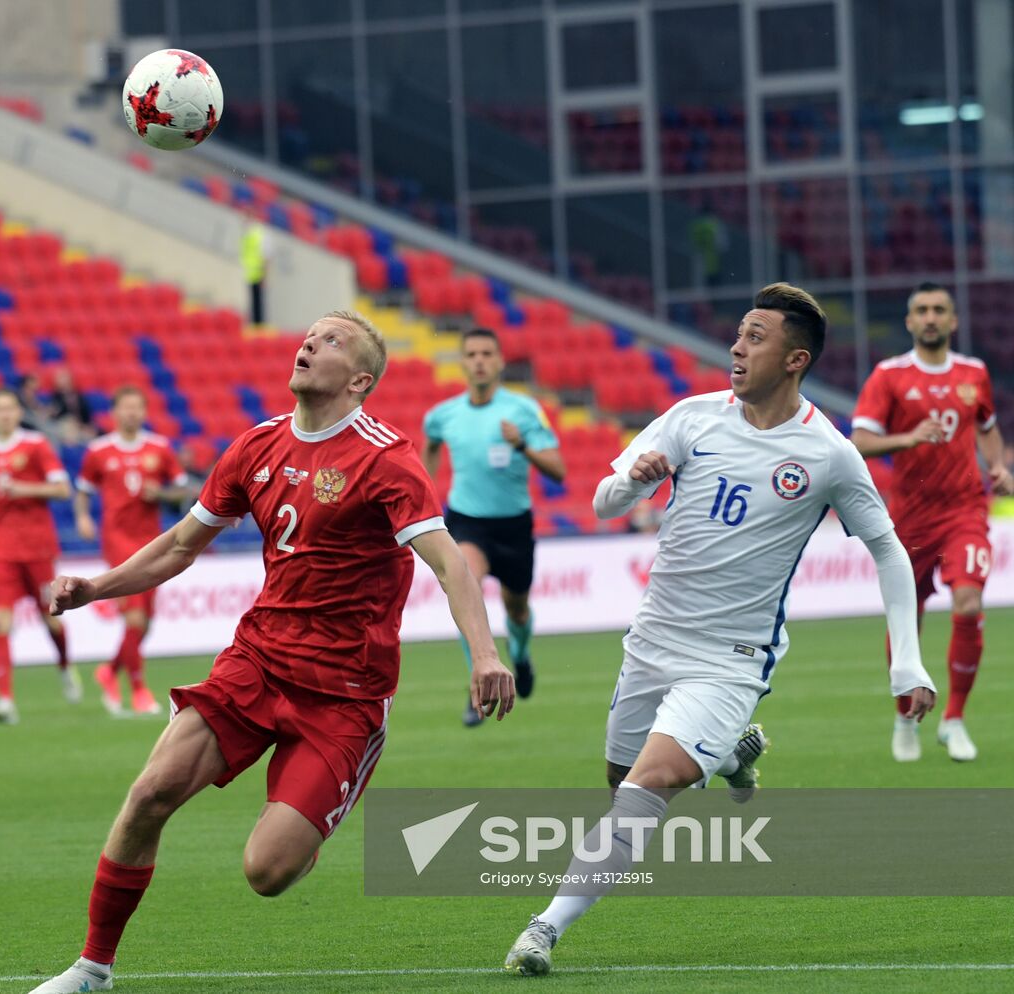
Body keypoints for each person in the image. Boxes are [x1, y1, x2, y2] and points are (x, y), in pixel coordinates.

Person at [28, 311, 517, 994]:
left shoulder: (384, 457)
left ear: (360, 380)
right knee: (149, 794)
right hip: (256, 663)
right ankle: (91, 969)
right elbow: (180, 545)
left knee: (268, 872)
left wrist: (485, 655)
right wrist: (95, 588)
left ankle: (311, 818)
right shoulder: (256, 446)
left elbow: (449, 562)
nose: (310, 343)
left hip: (344, 694)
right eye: (311, 335)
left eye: (333, 340)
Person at [501, 284, 936, 976]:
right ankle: (731, 754)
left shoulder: (827, 454)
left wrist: (907, 663)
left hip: (731, 658)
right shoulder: (692, 418)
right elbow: (604, 501)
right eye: (738, 333)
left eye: (755, 338)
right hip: (652, 641)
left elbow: (888, 549)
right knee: (620, 784)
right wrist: (636, 481)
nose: (736, 347)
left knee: (651, 783)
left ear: (795, 359)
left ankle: (542, 929)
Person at [849, 282, 1012, 763]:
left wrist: (997, 465)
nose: (930, 317)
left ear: (953, 320)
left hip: (964, 510)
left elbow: (987, 427)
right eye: (921, 310)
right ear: (909, 321)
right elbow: (859, 441)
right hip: (910, 516)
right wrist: (909, 438)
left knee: (969, 601)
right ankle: (905, 716)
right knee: (907, 616)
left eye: (939, 309)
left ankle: (954, 719)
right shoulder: (889, 375)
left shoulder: (973, 372)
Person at [422, 328, 566, 726]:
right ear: (463, 363)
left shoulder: (523, 411)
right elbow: (429, 446)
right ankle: (479, 680)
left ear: (500, 361)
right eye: (472, 354)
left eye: (487, 353)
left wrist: (521, 446)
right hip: (467, 522)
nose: (480, 361)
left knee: (516, 609)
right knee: (465, 585)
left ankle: (520, 655)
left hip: (514, 525)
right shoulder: (443, 415)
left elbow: (558, 470)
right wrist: (425, 493)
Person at [75, 387, 193, 715]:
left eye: (137, 407)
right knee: (135, 617)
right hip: (117, 539)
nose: (131, 413)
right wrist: (83, 517)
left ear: (144, 412)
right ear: (114, 412)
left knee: (146, 622)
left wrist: (162, 494)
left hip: (152, 540)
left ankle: (109, 671)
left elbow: (182, 490)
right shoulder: (99, 450)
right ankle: (139, 691)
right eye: (125, 407)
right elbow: (83, 490)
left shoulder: (159, 447)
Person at [0, 388, 76, 722]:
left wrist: (22, 488)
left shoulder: (36, 445)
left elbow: (62, 489)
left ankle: (64, 666)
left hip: (37, 547)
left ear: (18, 412)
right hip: (0, 549)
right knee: (0, 621)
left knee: (50, 619)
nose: (5, 414)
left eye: (10, 408)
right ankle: (4, 700)